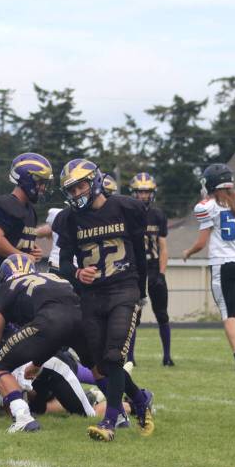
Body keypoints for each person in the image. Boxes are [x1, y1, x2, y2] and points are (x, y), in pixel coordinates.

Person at [56, 158, 155, 441]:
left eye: (80, 187)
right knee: (101, 363)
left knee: (114, 355)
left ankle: (109, 421)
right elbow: (64, 263)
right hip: (91, 296)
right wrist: (77, 273)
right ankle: (140, 398)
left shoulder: (126, 208)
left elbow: (140, 254)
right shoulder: (69, 219)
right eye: (71, 190)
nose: (77, 194)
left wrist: (141, 293)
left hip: (123, 289)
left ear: (95, 181)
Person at [0, 254, 92, 432]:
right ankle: (119, 407)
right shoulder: (46, 284)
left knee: (1, 367)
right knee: (89, 366)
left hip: (45, 367)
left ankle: (23, 416)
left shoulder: (4, 300)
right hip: (60, 348)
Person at [182, 163, 235, 372]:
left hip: (222, 264)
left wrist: (188, 252)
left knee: (227, 312)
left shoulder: (208, 206)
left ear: (211, 183)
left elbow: (201, 243)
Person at [0, 153, 50, 285]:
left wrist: (33, 251)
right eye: (40, 182)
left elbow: (18, 239)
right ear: (27, 179)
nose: (42, 188)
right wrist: (23, 256)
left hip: (21, 279)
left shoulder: (30, 210)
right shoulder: (4, 203)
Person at [129, 172, 174, 367]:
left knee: (162, 313)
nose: (143, 196)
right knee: (133, 314)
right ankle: (130, 358)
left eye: (146, 192)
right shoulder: (127, 213)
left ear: (152, 193)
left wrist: (162, 273)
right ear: (133, 193)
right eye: (140, 192)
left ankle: (167, 356)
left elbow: (163, 247)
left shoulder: (158, 215)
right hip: (135, 268)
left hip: (154, 266)